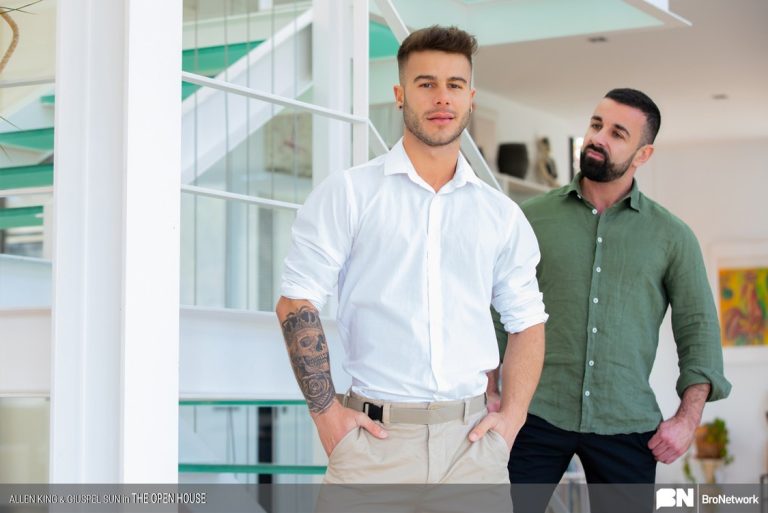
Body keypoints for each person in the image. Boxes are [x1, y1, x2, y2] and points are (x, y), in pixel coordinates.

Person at [276, 25, 548, 486]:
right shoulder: (350, 194)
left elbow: (527, 321)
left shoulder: (501, 215)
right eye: (426, 84)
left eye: (454, 85)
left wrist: (513, 419)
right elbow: (295, 302)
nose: (442, 97)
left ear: (471, 98)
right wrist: (326, 416)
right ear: (400, 95)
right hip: (372, 446)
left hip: (472, 449)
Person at [492, 88, 731, 512]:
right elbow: (498, 311)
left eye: (618, 133)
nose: (598, 138)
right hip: (534, 414)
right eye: (596, 125)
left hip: (627, 424)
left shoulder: (672, 236)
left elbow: (699, 329)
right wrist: (490, 391)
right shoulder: (531, 219)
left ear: (643, 154)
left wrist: (687, 419)